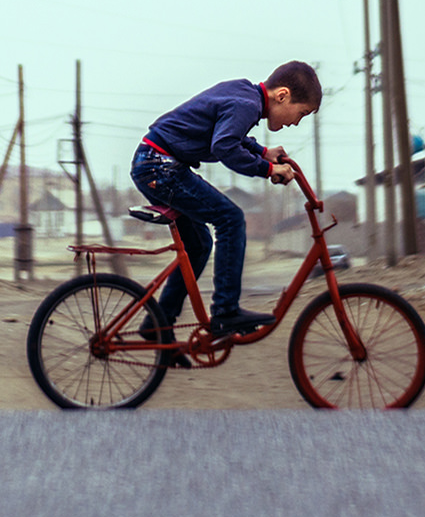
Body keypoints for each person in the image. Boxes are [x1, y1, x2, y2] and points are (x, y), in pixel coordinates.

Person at [131, 61, 318, 354]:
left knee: (200, 244)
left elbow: (227, 128)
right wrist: (267, 169)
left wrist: (261, 151)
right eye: (301, 113)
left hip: (154, 163)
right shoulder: (246, 104)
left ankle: (159, 324)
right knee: (231, 218)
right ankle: (225, 311)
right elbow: (224, 146)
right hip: (161, 168)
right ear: (282, 96)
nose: (296, 122)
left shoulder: (245, 94)